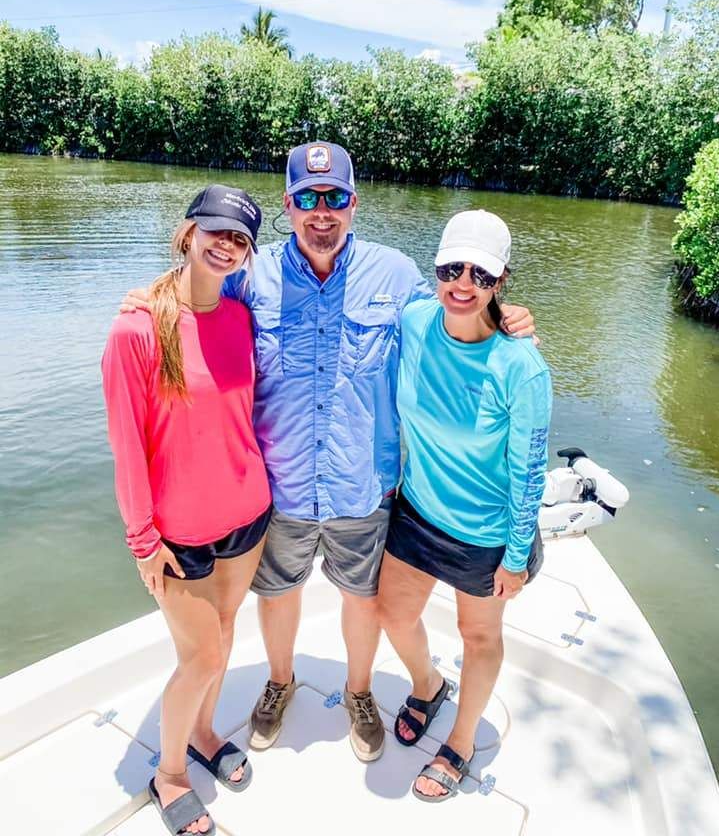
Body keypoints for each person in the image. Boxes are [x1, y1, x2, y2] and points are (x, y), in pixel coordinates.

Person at [121, 142, 536, 765]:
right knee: (278, 593)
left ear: (353, 204)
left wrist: (509, 315)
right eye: (308, 199)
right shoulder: (247, 274)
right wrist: (145, 302)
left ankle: (359, 691)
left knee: (361, 598)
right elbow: (192, 298)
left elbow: (457, 315)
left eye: (335, 198)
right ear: (287, 205)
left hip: (362, 488)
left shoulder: (396, 275)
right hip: (278, 487)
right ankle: (279, 682)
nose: (322, 212)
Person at [103, 185, 271, 835]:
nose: (226, 245)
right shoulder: (136, 327)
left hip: (248, 513)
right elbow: (126, 447)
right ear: (188, 232)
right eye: (217, 231)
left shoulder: (239, 319)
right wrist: (142, 540)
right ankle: (169, 773)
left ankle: (203, 731)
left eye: (240, 238)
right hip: (178, 535)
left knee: (225, 635)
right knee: (200, 656)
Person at [376, 209, 552, 802]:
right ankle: (428, 685)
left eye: (481, 273)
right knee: (392, 616)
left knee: (478, 637)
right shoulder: (414, 319)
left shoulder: (520, 366)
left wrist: (516, 557)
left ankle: (462, 739)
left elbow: (529, 470)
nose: (463, 282)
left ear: (501, 282)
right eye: (452, 267)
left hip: (485, 534)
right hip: (419, 512)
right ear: (435, 269)